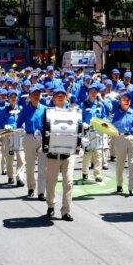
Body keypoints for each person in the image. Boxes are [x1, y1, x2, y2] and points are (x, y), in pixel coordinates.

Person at [43, 85, 77, 221]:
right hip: (53, 154)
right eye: (58, 95)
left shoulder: (72, 113)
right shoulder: (48, 112)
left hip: (68, 154)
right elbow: (43, 128)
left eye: (63, 95)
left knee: (68, 183)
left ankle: (66, 211)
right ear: (53, 98)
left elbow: (76, 127)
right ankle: (51, 205)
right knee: (51, 182)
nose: (60, 97)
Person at [17, 85, 47, 199]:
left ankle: (41, 192)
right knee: (30, 166)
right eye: (34, 94)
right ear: (29, 96)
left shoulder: (45, 109)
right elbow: (18, 123)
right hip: (29, 138)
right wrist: (13, 127)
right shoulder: (25, 109)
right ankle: (31, 187)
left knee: (42, 167)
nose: (36, 96)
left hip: (42, 139)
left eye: (38, 94)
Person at [109, 92, 133, 195]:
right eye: (124, 99)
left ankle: (132, 187)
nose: (126, 101)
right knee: (120, 163)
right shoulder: (115, 113)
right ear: (120, 101)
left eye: (128, 100)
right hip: (120, 138)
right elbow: (110, 125)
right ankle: (119, 184)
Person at [80, 85, 107, 183]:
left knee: (98, 154)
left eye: (95, 92)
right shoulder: (84, 104)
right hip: (87, 132)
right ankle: (85, 172)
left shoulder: (100, 105)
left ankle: (97, 174)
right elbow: (80, 118)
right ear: (88, 93)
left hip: (98, 132)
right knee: (87, 153)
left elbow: (104, 117)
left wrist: (104, 123)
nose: (93, 93)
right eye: (91, 92)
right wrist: (83, 124)